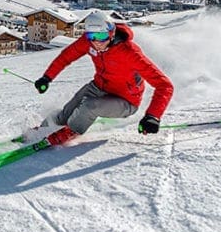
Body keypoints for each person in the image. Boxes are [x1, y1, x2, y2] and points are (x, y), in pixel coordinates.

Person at [34, 10, 173, 145]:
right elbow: (66, 56)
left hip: (126, 101)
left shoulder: (130, 53)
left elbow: (165, 85)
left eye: (101, 37)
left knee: (89, 106)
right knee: (68, 111)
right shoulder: (88, 42)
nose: (96, 42)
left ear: (111, 33)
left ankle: (69, 132)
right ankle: (42, 131)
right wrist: (47, 77)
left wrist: (153, 116)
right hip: (99, 87)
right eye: (91, 36)